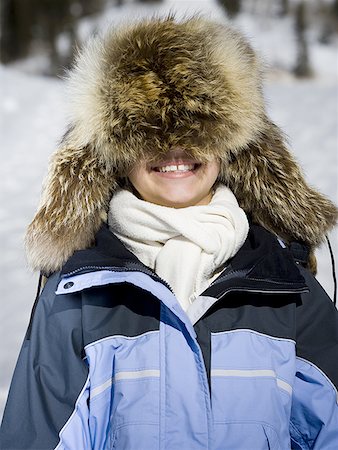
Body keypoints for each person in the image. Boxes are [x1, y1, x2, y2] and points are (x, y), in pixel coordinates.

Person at [0, 15, 337, 450]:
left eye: (198, 132)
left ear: (231, 148)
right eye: (147, 136)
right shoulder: (77, 297)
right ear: (115, 155)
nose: (175, 150)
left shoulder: (289, 290)